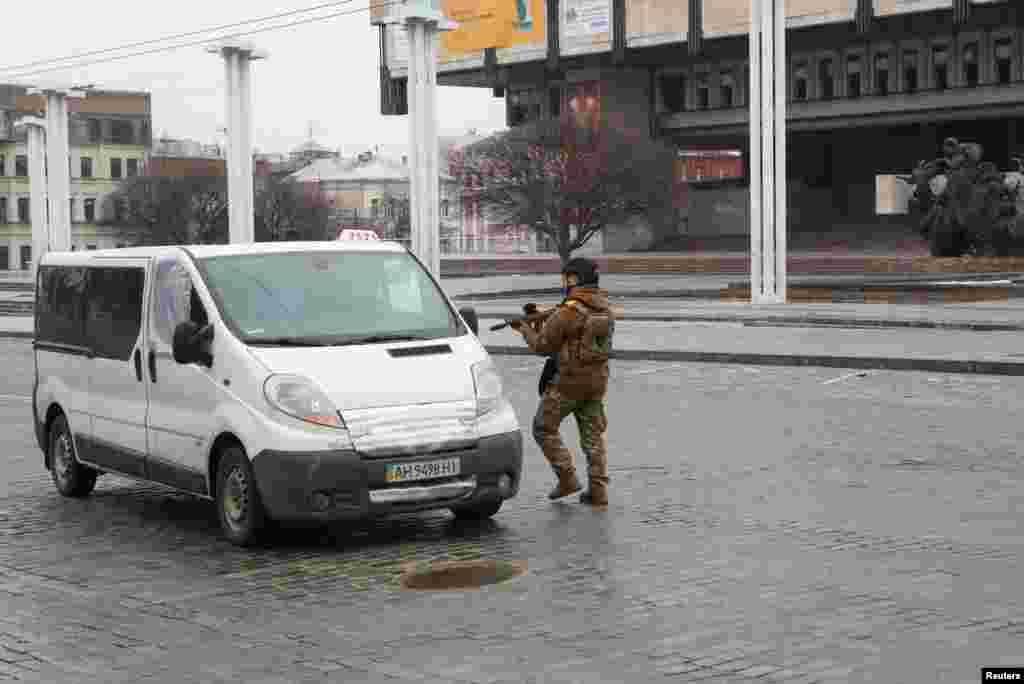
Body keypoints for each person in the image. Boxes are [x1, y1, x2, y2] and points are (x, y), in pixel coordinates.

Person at [509, 257, 615, 507]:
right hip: (596, 383)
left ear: (574, 279)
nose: (564, 283)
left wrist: (525, 329)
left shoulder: (568, 311)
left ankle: (567, 477)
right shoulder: (604, 308)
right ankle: (598, 491)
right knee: (593, 436)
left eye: (566, 278)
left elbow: (542, 346)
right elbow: (571, 334)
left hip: (567, 384)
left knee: (543, 427)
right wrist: (539, 318)